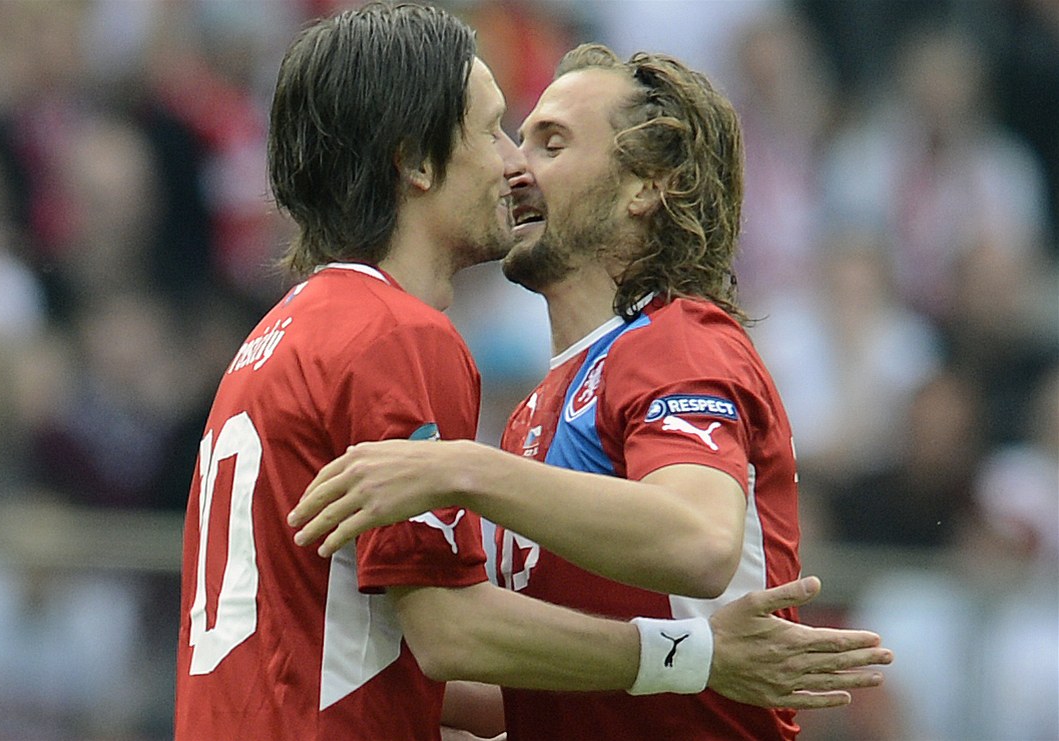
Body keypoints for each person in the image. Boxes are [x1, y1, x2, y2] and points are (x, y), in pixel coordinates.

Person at [176, 5, 890, 740]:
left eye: (548, 142)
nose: (513, 165)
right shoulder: (484, 387)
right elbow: (478, 649)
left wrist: (464, 469)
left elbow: (700, 542)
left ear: (645, 186)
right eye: (502, 135)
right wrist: (697, 657)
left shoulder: (675, 341)